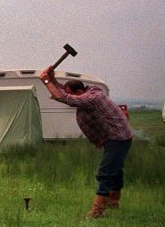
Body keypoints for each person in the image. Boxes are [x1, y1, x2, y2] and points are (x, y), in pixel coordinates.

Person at [39, 66, 133, 218]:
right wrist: (53, 79)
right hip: (116, 137)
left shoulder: (91, 98)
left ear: (78, 92)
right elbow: (64, 91)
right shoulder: (86, 93)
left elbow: (65, 98)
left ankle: (97, 211)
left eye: (71, 93)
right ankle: (113, 202)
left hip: (118, 137)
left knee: (106, 172)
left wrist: (46, 81)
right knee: (116, 170)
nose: (68, 94)